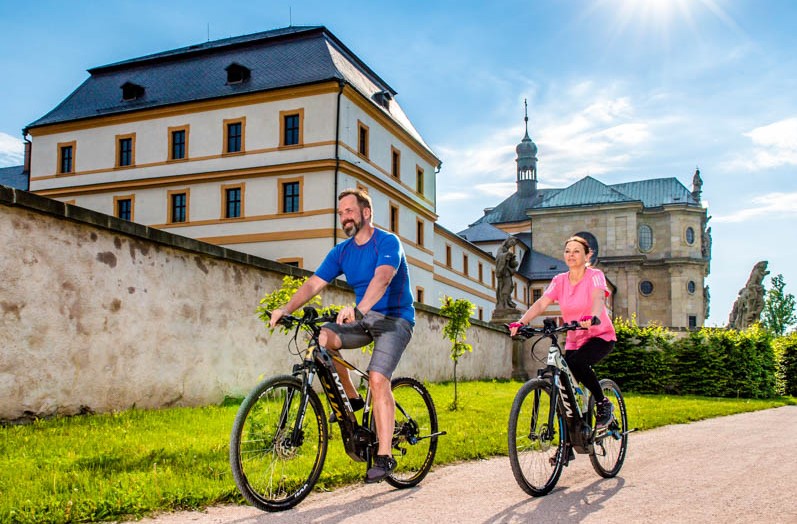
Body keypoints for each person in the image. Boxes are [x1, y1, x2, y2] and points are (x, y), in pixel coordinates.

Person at [269, 188, 414, 483]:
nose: (344, 217)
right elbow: (313, 284)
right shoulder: (342, 252)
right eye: (341, 213)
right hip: (363, 318)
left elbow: (382, 278)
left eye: (349, 211)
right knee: (323, 339)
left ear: (366, 212)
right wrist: (285, 308)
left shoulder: (387, 242)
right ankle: (352, 397)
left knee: (377, 378)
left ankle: (385, 456)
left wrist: (358, 310)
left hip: (394, 320)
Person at [509, 235, 616, 428]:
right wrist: (521, 322)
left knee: (577, 363)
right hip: (575, 338)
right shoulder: (559, 280)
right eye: (568, 251)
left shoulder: (595, 275)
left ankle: (603, 402)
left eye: (576, 251)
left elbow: (599, 297)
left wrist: (591, 316)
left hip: (600, 335)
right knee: (565, 383)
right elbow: (542, 303)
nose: (571, 255)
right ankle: (568, 443)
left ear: (586, 256)